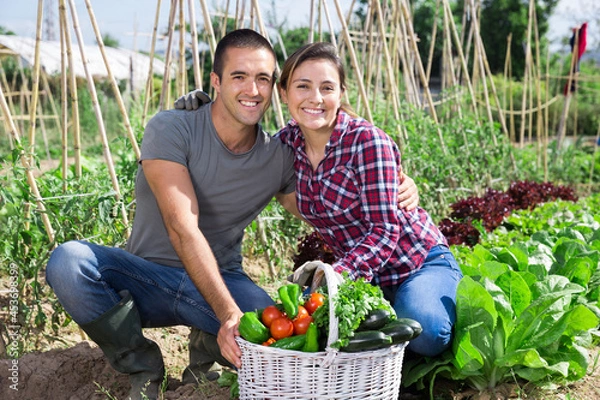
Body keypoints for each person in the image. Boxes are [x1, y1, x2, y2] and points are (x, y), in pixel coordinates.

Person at [45, 29, 419, 400]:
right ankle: (142, 364)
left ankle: (208, 345)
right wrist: (228, 315)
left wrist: (392, 184)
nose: (252, 90)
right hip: (147, 280)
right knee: (69, 262)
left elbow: (319, 207)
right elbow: (182, 228)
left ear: (276, 88)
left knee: (291, 341)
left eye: (263, 79)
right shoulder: (171, 128)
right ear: (216, 82)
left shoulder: (280, 155)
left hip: (221, 281)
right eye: (239, 76)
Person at [275, 42, 463, 357]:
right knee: (310, 332)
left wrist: (336, 279)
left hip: (416, 263)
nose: (315, 98)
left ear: (341, 93)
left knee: (425, 330)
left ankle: (444, 298)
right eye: (302, 86)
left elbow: (385, 231)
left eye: (327, 87)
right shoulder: (285, 145)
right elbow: (240, 155)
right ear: (284, 93)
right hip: (365, 276)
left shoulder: (367, 142)